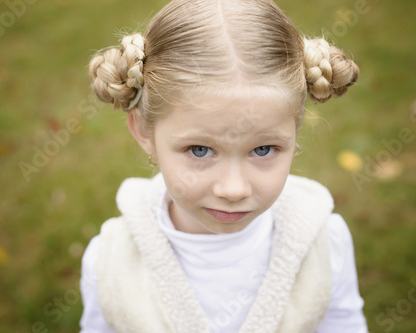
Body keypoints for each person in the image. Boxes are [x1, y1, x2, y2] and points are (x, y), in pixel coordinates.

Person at [80, 0, 367, 332]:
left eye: (263, 149)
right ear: (145, 131)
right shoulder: (109, 263)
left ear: (294, 130)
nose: (234, 189)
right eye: (200, 150)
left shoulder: (324, 244)